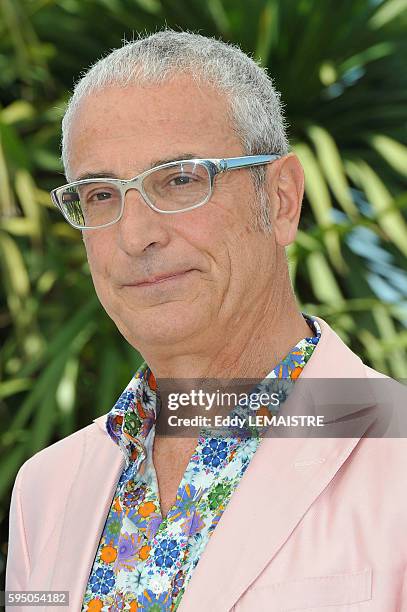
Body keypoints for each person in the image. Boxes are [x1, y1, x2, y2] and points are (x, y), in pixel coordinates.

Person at [5, 30, 407, 612]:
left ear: (283, 199)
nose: (135, 235)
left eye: (181, 180)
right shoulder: (45, 489)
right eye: (100, 195)